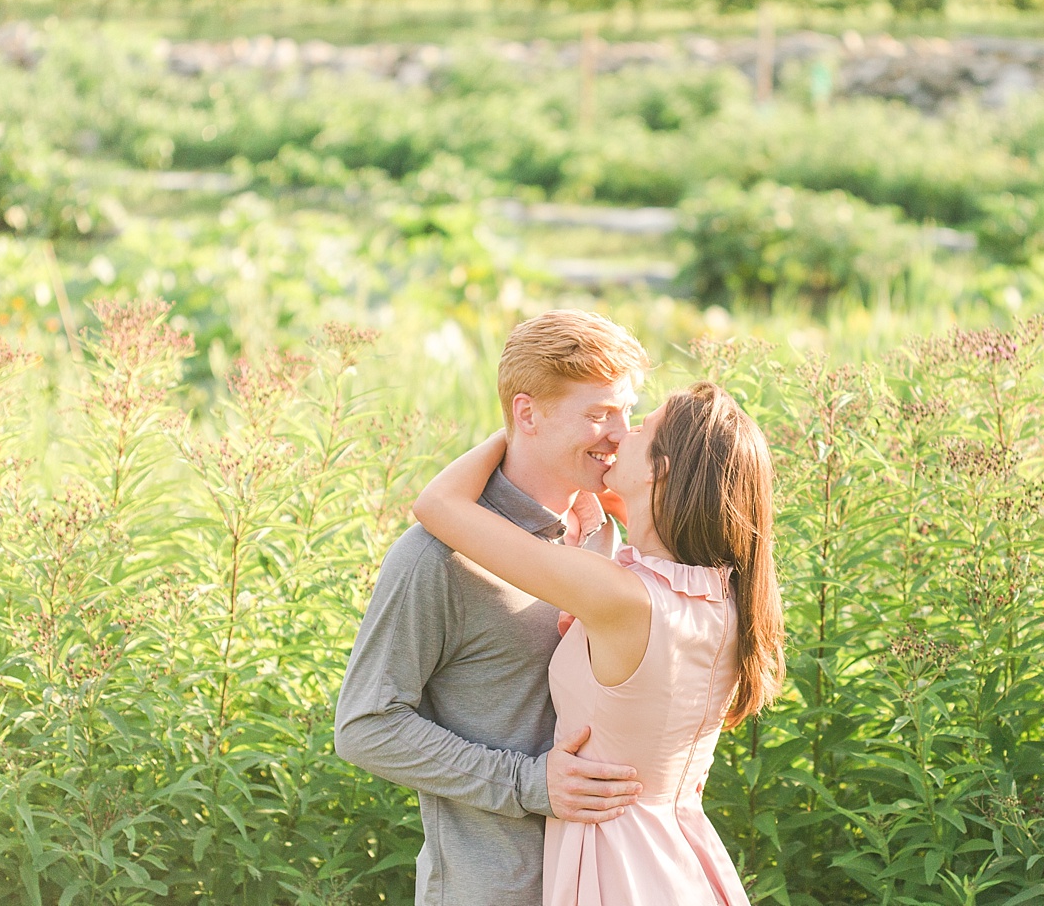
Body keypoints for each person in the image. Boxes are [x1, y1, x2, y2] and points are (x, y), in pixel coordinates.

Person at [413, 381, 786, 905]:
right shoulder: (721, 596)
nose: (619, 434)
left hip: (617, 866)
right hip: (678, 859)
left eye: (640, 428)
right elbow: (659, 531)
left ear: (664, 469)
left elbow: (438, 504)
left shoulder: (621, 597)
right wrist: (619, 490)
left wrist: (522, 430)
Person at [334, 310, 654, 906]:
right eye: (598, 413)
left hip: (611, 880)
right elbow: (365, 726)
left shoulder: (612, 538)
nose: (621, 433)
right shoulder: (436, 557)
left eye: (627, 411)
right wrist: (528, 783)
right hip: (497, 888)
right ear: (526, 414)